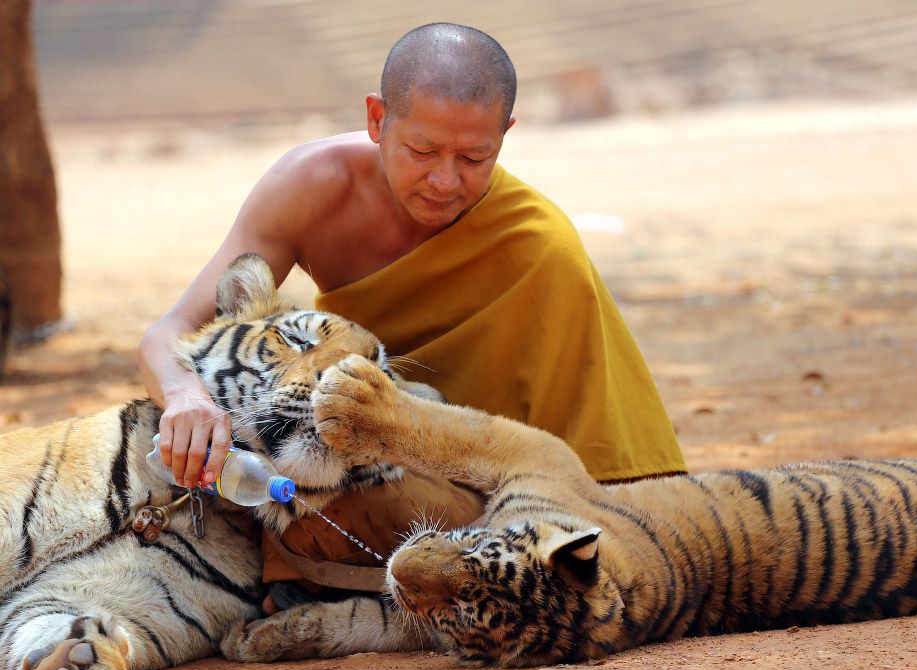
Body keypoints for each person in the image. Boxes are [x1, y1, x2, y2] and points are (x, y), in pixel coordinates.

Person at [139, 22, 687, 612]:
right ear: (377, 120)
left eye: (475, 158)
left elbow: (596, 456)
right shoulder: (310, 188)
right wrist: (182, 394)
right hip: (363, 444)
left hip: (493, 484)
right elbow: (169, 331)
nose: (444, 181)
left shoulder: (540, 246)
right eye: (421, 151)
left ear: (506, 135)